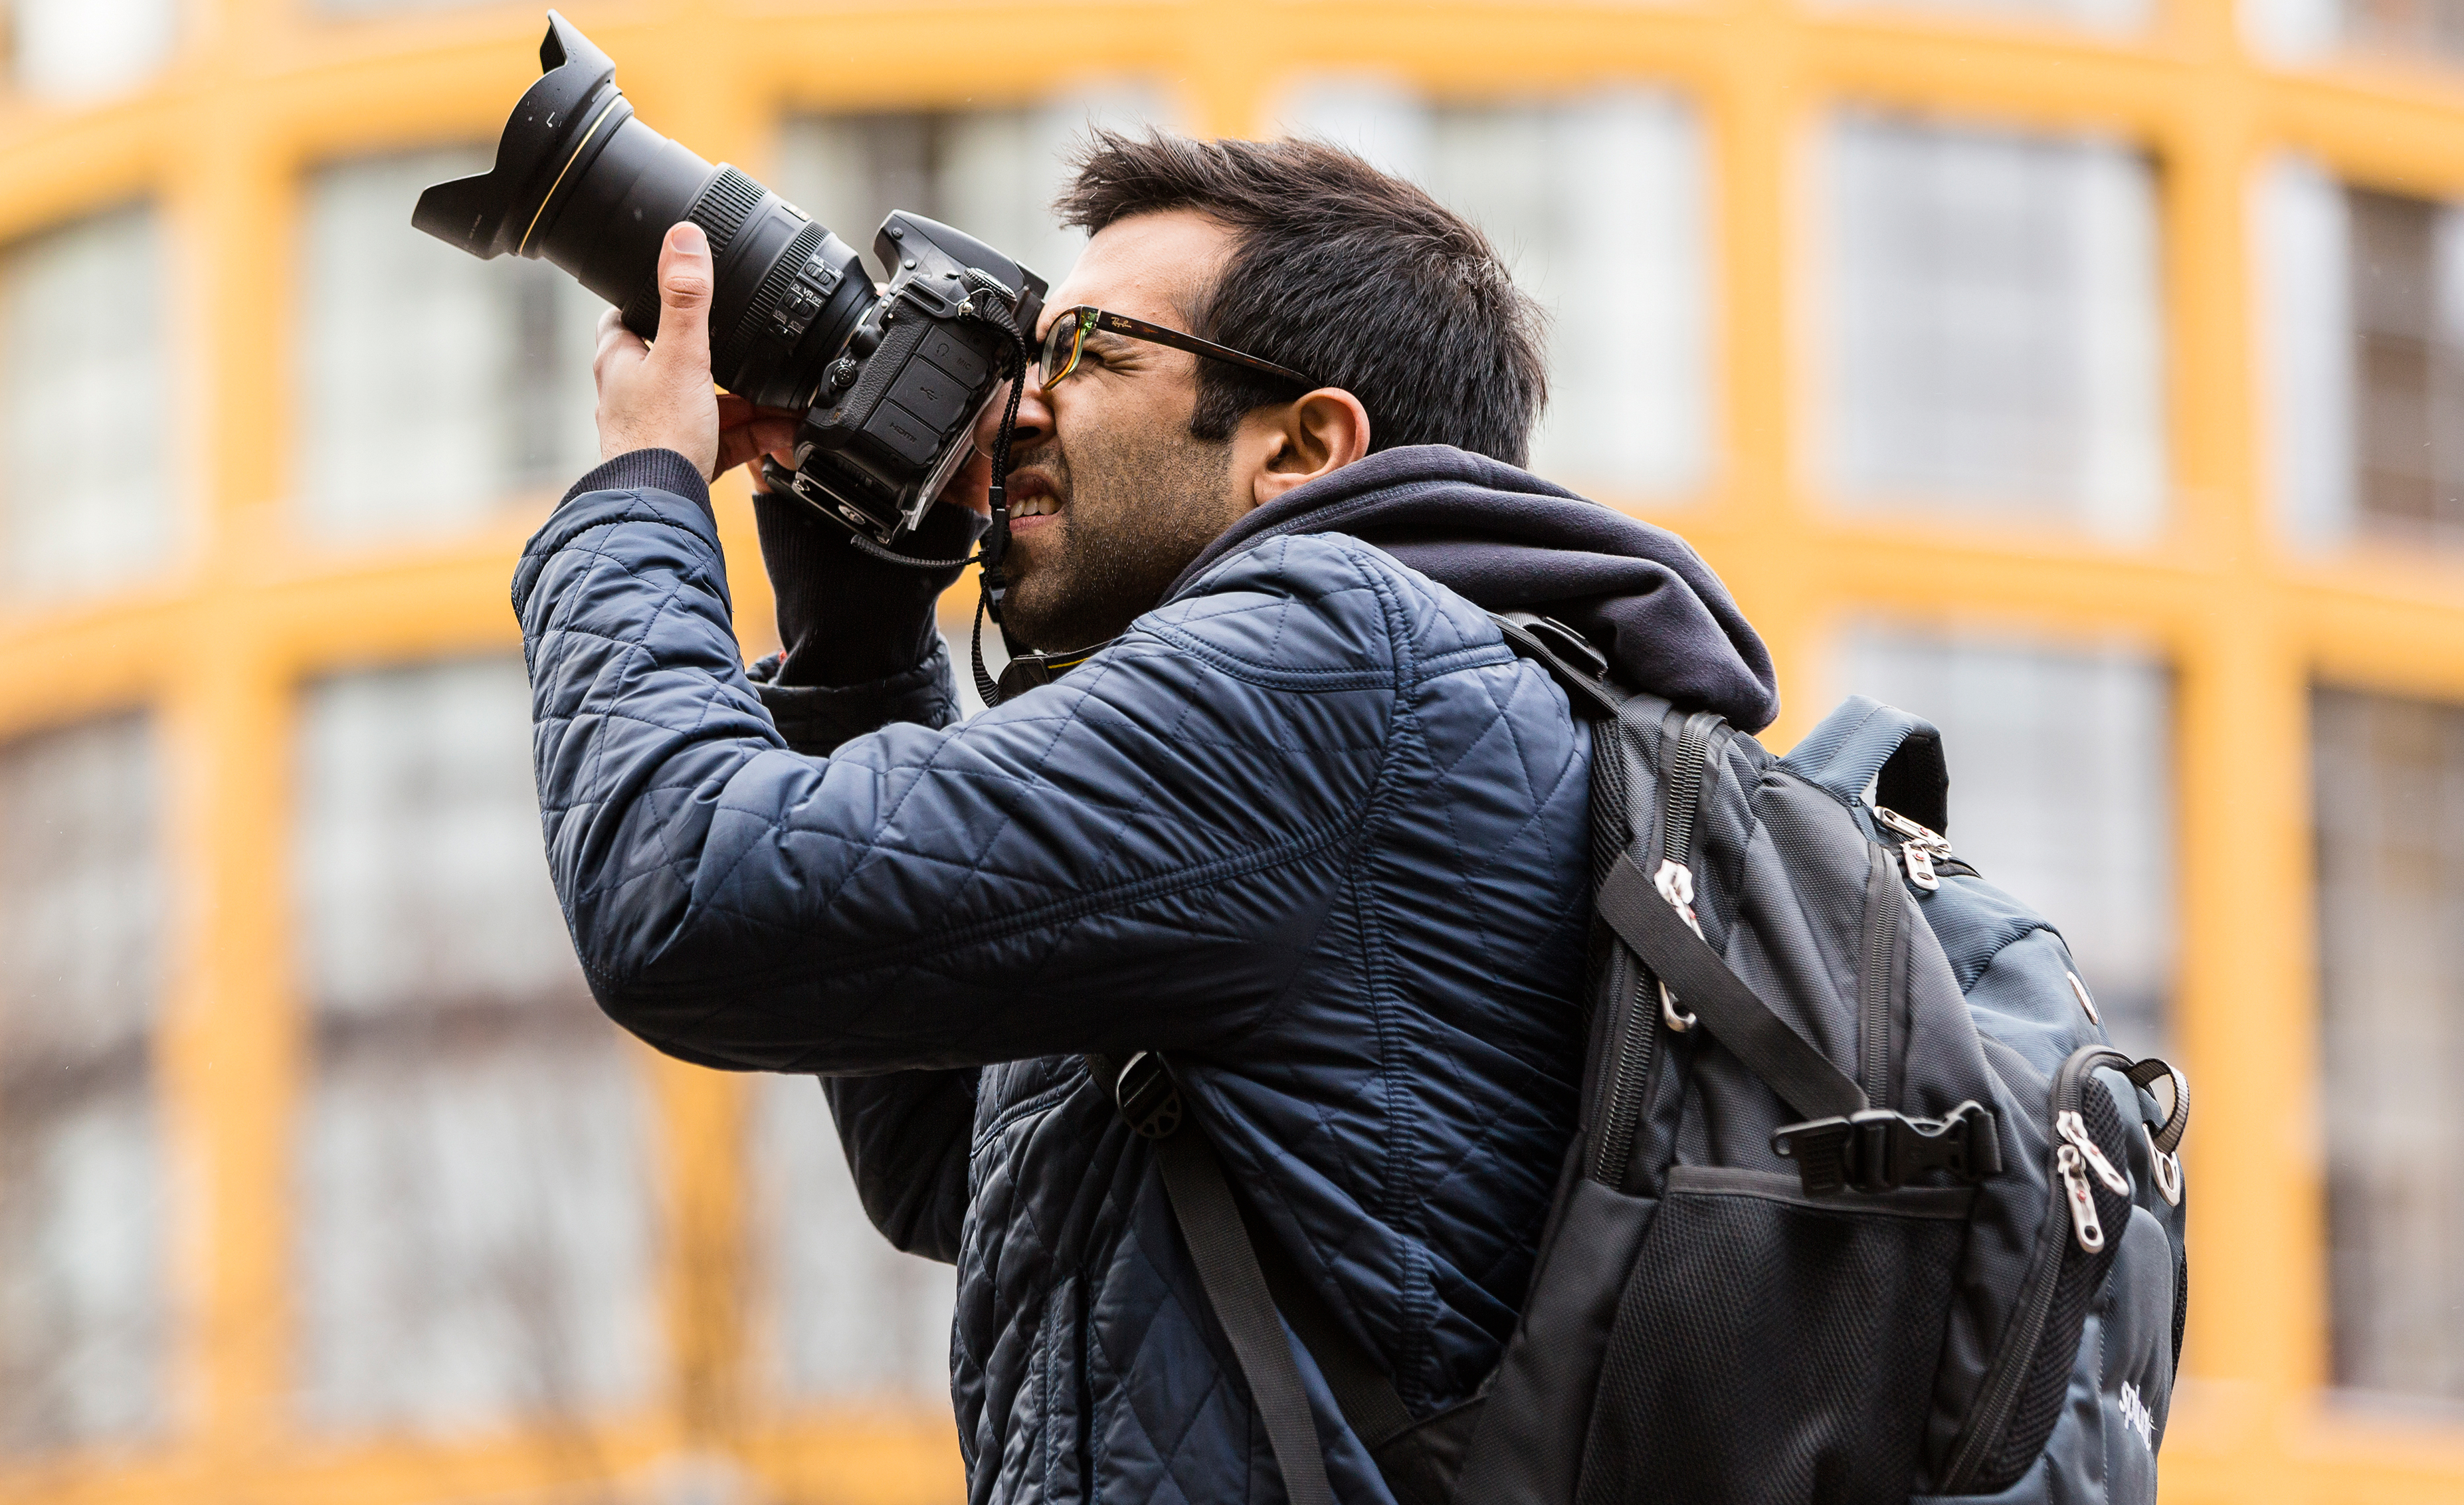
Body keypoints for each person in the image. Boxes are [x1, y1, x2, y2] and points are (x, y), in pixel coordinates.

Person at [514, 131, 1778, 1504]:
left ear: (1302, 450)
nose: (1016, 412)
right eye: (1021, 355)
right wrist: (860, 618)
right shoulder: (1404, 727)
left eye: (1088, 355)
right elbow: (949, 1156)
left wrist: (634, 492)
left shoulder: (1339, 665)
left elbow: (684, 896)